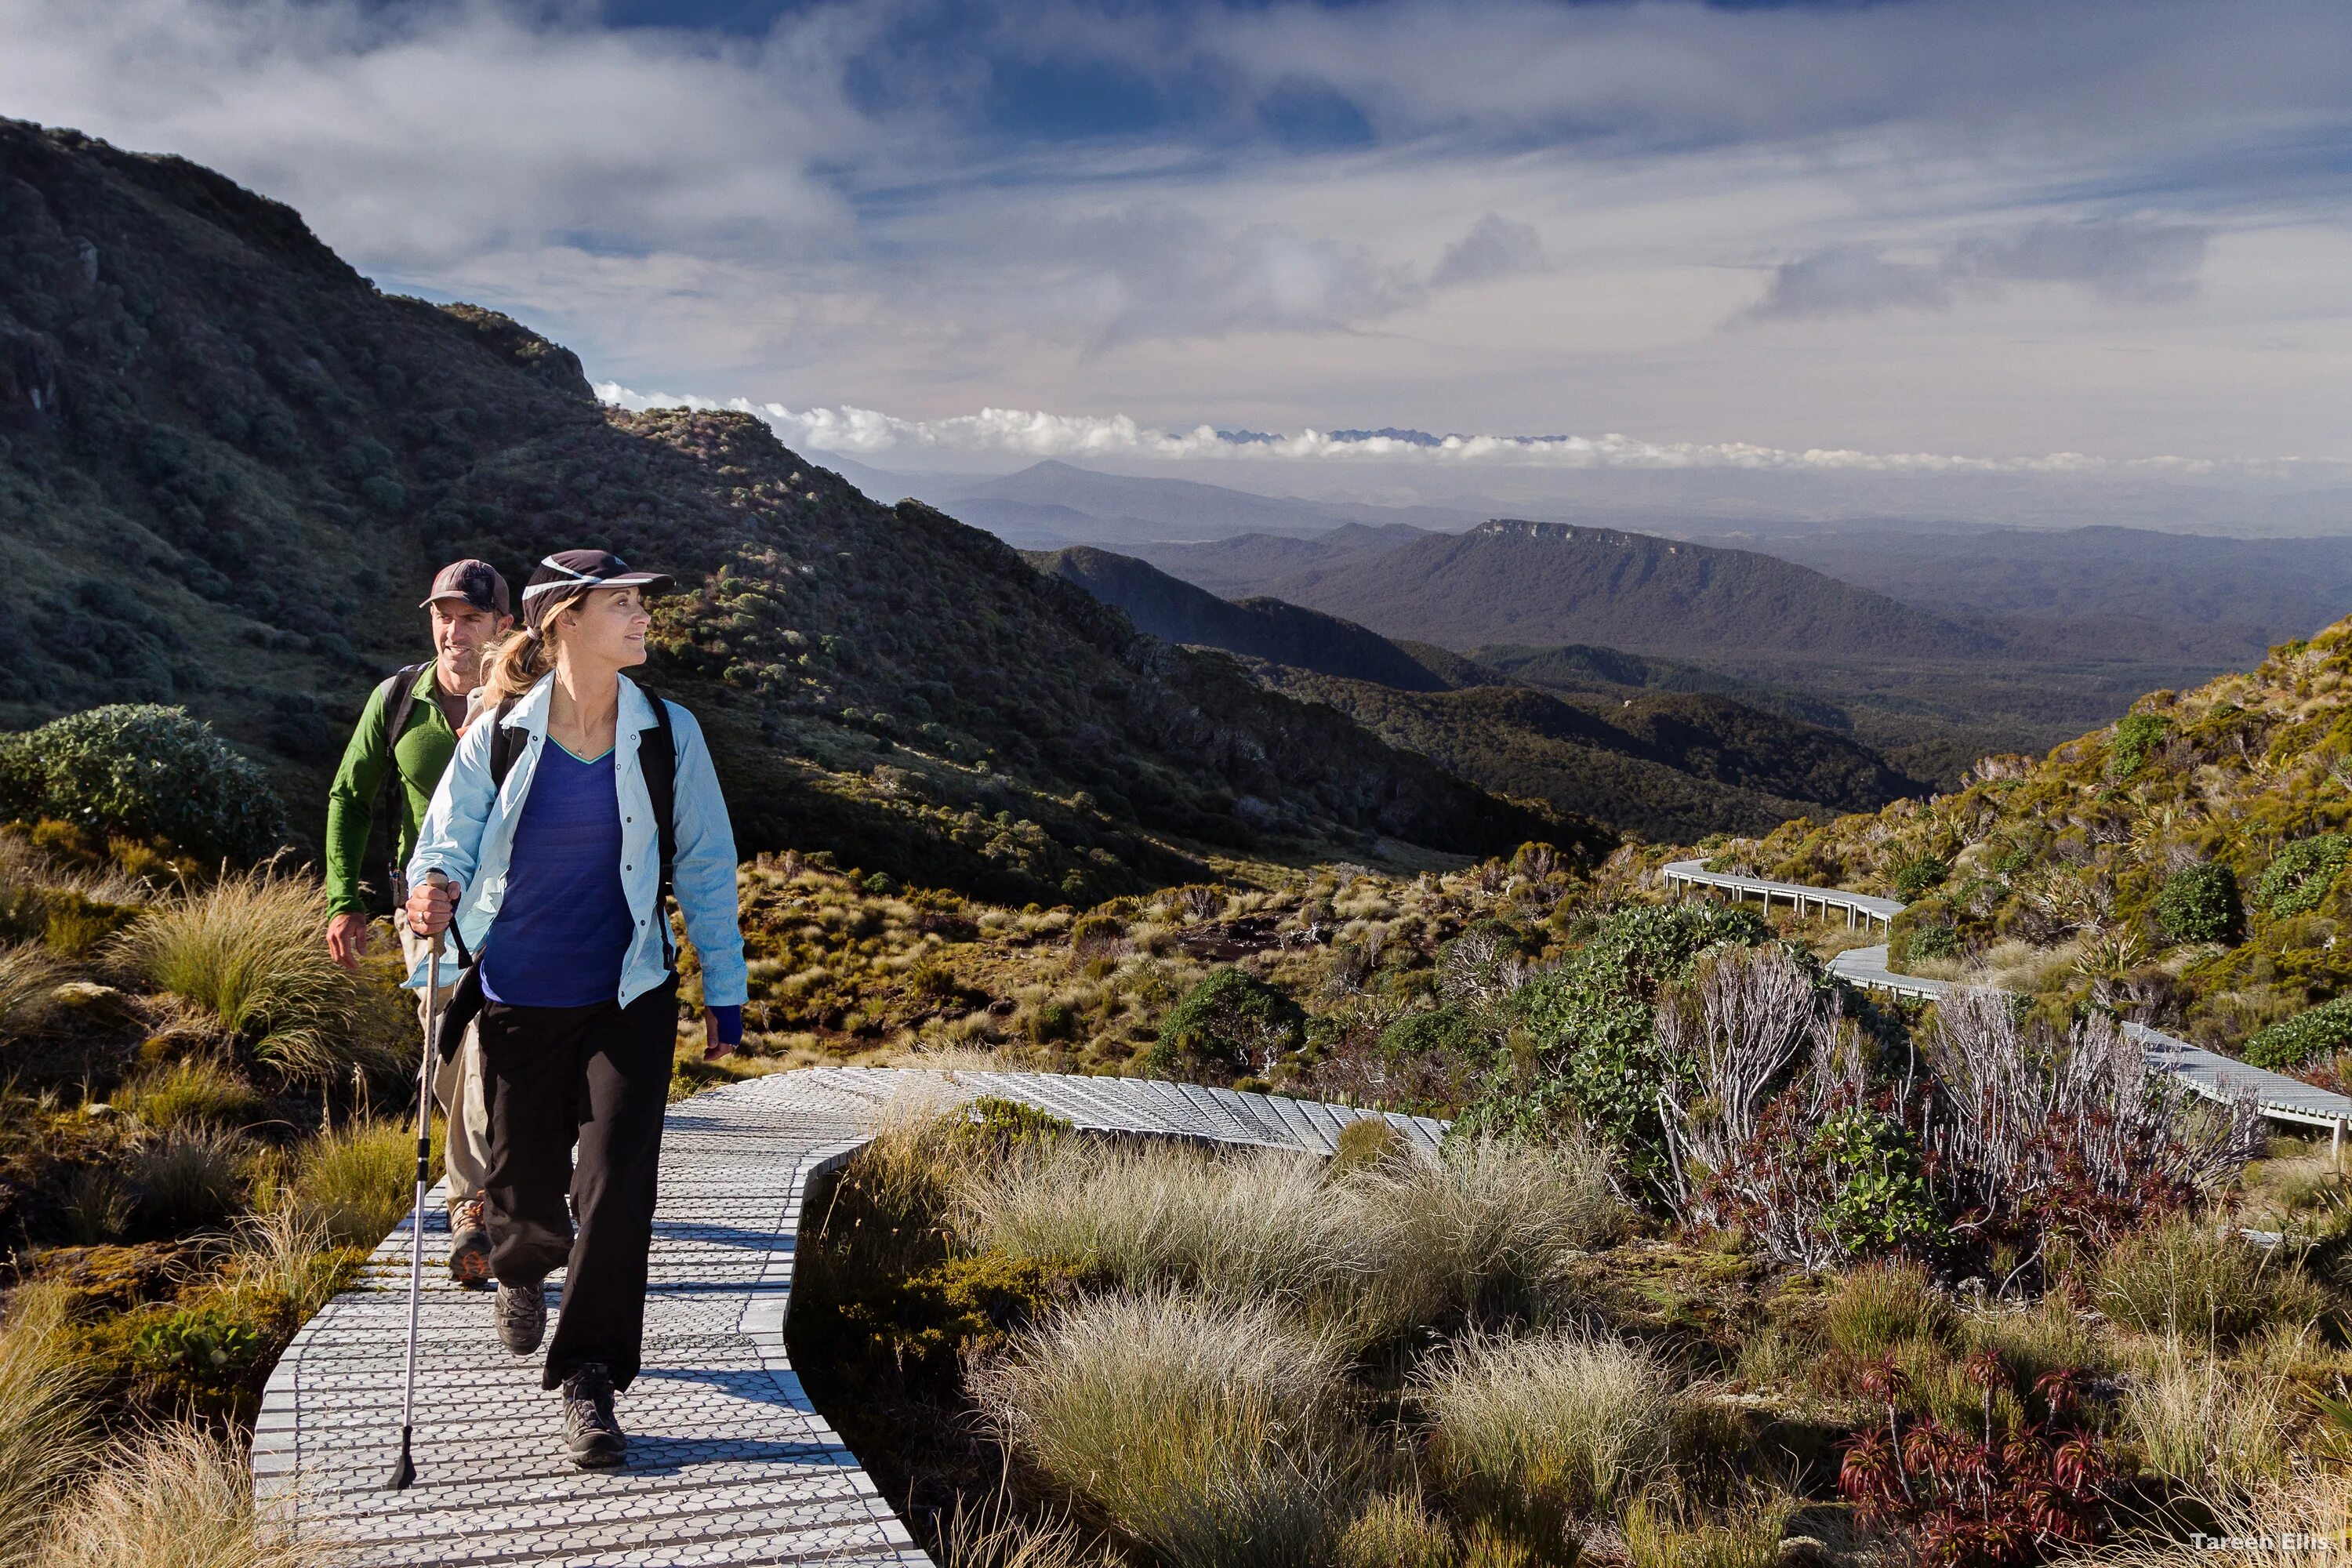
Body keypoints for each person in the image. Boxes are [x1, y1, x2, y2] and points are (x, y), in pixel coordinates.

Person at [403, 548, 747, 1470]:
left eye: (642, 602)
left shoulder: (668, 733)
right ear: (565, 620)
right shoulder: (502, 735)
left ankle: (589, 1377)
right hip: (517, 995)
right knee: (522, 1190)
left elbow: (708, 864)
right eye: (624, 603)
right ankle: (520, 1262)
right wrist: (431, 886)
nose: (643, 618)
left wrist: (726, 986)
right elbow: (443, 843)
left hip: (627, 993)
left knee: (616, 1183)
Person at [324, 560, 512, 1284]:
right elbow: (351, 795)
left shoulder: (530, 700)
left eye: (469, 617)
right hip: (427, 907)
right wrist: (346, 898)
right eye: (443, 615)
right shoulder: (400, 698)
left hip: (518, 907)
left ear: (502, 626)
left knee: (494, 1042)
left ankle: (477, 1200)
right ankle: (481, 1197)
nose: (453, 630)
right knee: (451, 1040)